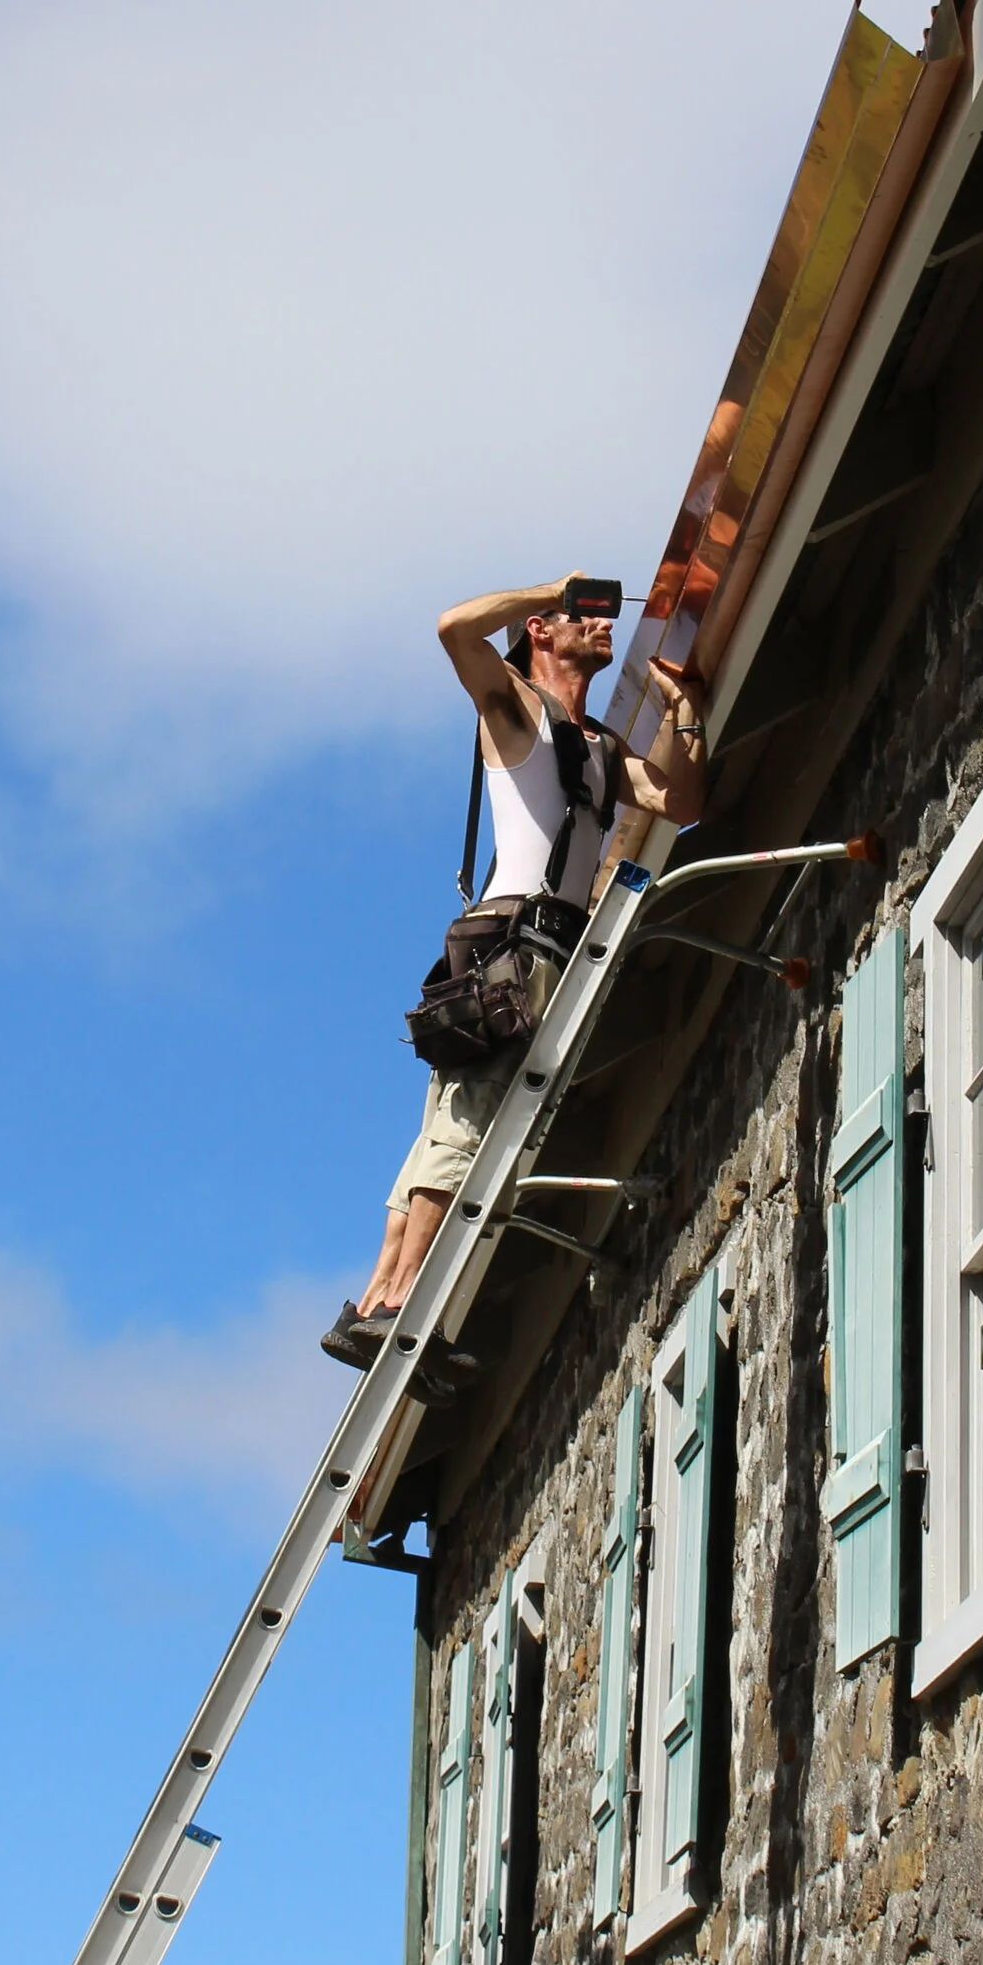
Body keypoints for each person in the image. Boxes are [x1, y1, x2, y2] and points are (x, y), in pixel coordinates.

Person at [321, 574, 708, 1383]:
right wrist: (549, 585)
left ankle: (372, 1306)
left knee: (448, 1124)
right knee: (471, 1122)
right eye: (583, 620)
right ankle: (394, 1306)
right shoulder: (514, 708)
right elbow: (454, 627)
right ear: (541, 630)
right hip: (513, 942)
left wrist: (684, 711)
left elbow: (681, 799)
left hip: (536, 947)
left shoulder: (599, 747)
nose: (604, 630)